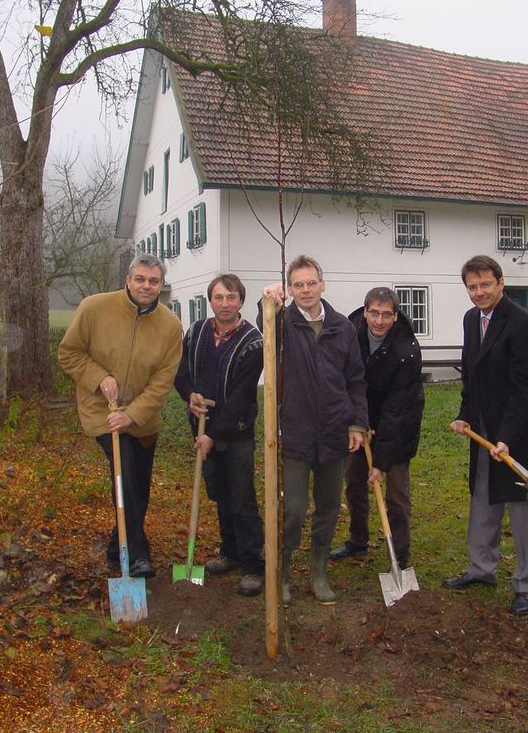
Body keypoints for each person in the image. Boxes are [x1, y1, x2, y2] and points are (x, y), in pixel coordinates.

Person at [58, 253, 183, 578]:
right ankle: (139, 556)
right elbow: (68, 353)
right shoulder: (94, 308)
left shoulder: (170, 326)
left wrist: (134, 415)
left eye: (153, 281)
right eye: (140, 279)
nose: (146, 285)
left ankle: (117, 550)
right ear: (127, 280)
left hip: (142, 420)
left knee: (139, 490)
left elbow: (162, 382)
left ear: (160, 285)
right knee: (125, 477)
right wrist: (99, 377)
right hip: (104, 411)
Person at [444, 254, 528, 615]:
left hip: (519, 433)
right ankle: (481, 568)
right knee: (484, 499)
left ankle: (526, 583)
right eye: (472, 287)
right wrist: (465, 415)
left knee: (522, 508)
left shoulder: (523, 325)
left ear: (501, 283)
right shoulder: (471, 320)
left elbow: (525, 389)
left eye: (485, 284)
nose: (478, 292)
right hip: (485, 429)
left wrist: (506, 436)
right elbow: (471, 376)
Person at [260, 255, 368, 605]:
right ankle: (284, 569)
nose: (305, 290)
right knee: (292, 508)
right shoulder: (282, 322)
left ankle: (319, 571)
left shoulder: (342, 327)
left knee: (328, 506)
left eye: (311, 283)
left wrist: (356, 423)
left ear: (323, 284)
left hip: (335, 432)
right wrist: (267, 302)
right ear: (289, 289)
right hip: (294, 433)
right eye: (297, 285)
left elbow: (355, 378)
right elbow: (262, 331)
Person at [174, 274, 265, 597]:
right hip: (200, 427)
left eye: (231, 297)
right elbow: (181, 372)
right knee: (219, 493)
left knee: (242, 498)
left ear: (240, 301)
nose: (224, 303)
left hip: (235, 433)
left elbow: (241, 398)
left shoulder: (253, 342)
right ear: (210, 301)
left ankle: (253, 565)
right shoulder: (196, 332)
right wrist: (190, 396)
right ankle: (230, 552)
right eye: (218, 297)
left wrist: (213, 434)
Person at [330, 287, 424, 568]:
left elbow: (398, 408)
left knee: (396, 495)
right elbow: (343, 381)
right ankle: (358, 540)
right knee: (355, 484)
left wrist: (381, 462)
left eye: (386, 315)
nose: (379, 321)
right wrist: (357, 422)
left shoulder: (406, 350)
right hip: (357, 423)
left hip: (398, 425)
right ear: (365, 311)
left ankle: (401, 552)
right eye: (374, 313)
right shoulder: (350, 335)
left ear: (395, 316)